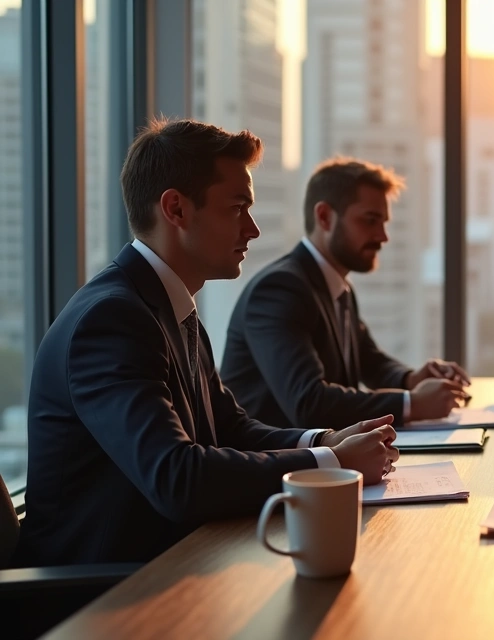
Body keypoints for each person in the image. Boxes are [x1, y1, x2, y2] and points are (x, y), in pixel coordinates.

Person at [16, 119, 399, 566]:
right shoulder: (111, 319)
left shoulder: (169, 307)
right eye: (238, 207)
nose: (252, 229)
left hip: (171, 564)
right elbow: (176, 478)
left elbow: (231, 428)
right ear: (176, 210)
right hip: (97, 596)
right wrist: (328, 462)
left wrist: (325, 437)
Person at [221, 158, 469, 429]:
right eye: (370, 220)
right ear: (325, 216)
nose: (383, 236)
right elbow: (308, 402)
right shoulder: (279, 289)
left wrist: (412, 379)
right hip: (275, 465)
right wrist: (414, 404)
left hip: (324, 460)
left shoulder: (338, 287)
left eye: (384, 223)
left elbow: (370, 362)